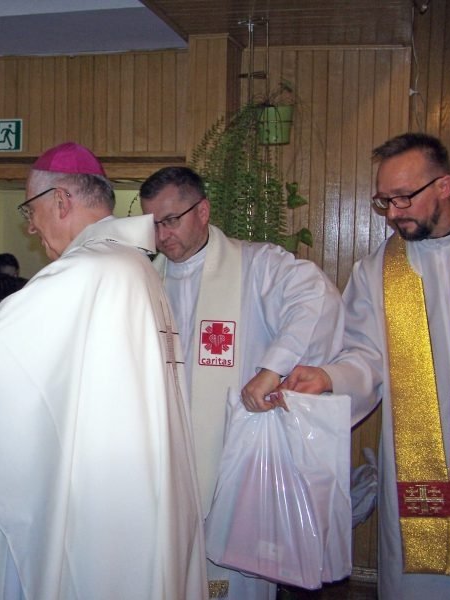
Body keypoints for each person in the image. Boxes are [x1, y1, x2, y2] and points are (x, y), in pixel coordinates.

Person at [0, 142, 207, 599]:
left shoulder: (84, 272)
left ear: (60, 200)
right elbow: (38, 355)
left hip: (98, 502)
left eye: (30, 210)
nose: (31, 226)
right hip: (133, 490)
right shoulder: (130, 267)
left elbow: (0, 367)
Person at [281, 133, 450, 599]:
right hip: (417, 465)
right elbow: (365, 355)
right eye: (384, 201)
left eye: (403, 198)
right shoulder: (378, 270)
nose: (393, 213)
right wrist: (329, 377)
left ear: (444, 186)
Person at [139, 166, 344, 599]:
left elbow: (316, 297)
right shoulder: (144, 280)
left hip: (230, 467)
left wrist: (273, 368)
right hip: (164, 466)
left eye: (170, 220)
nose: (161, 236)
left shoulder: (257, 266)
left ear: (203, 211)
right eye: (152, 224)